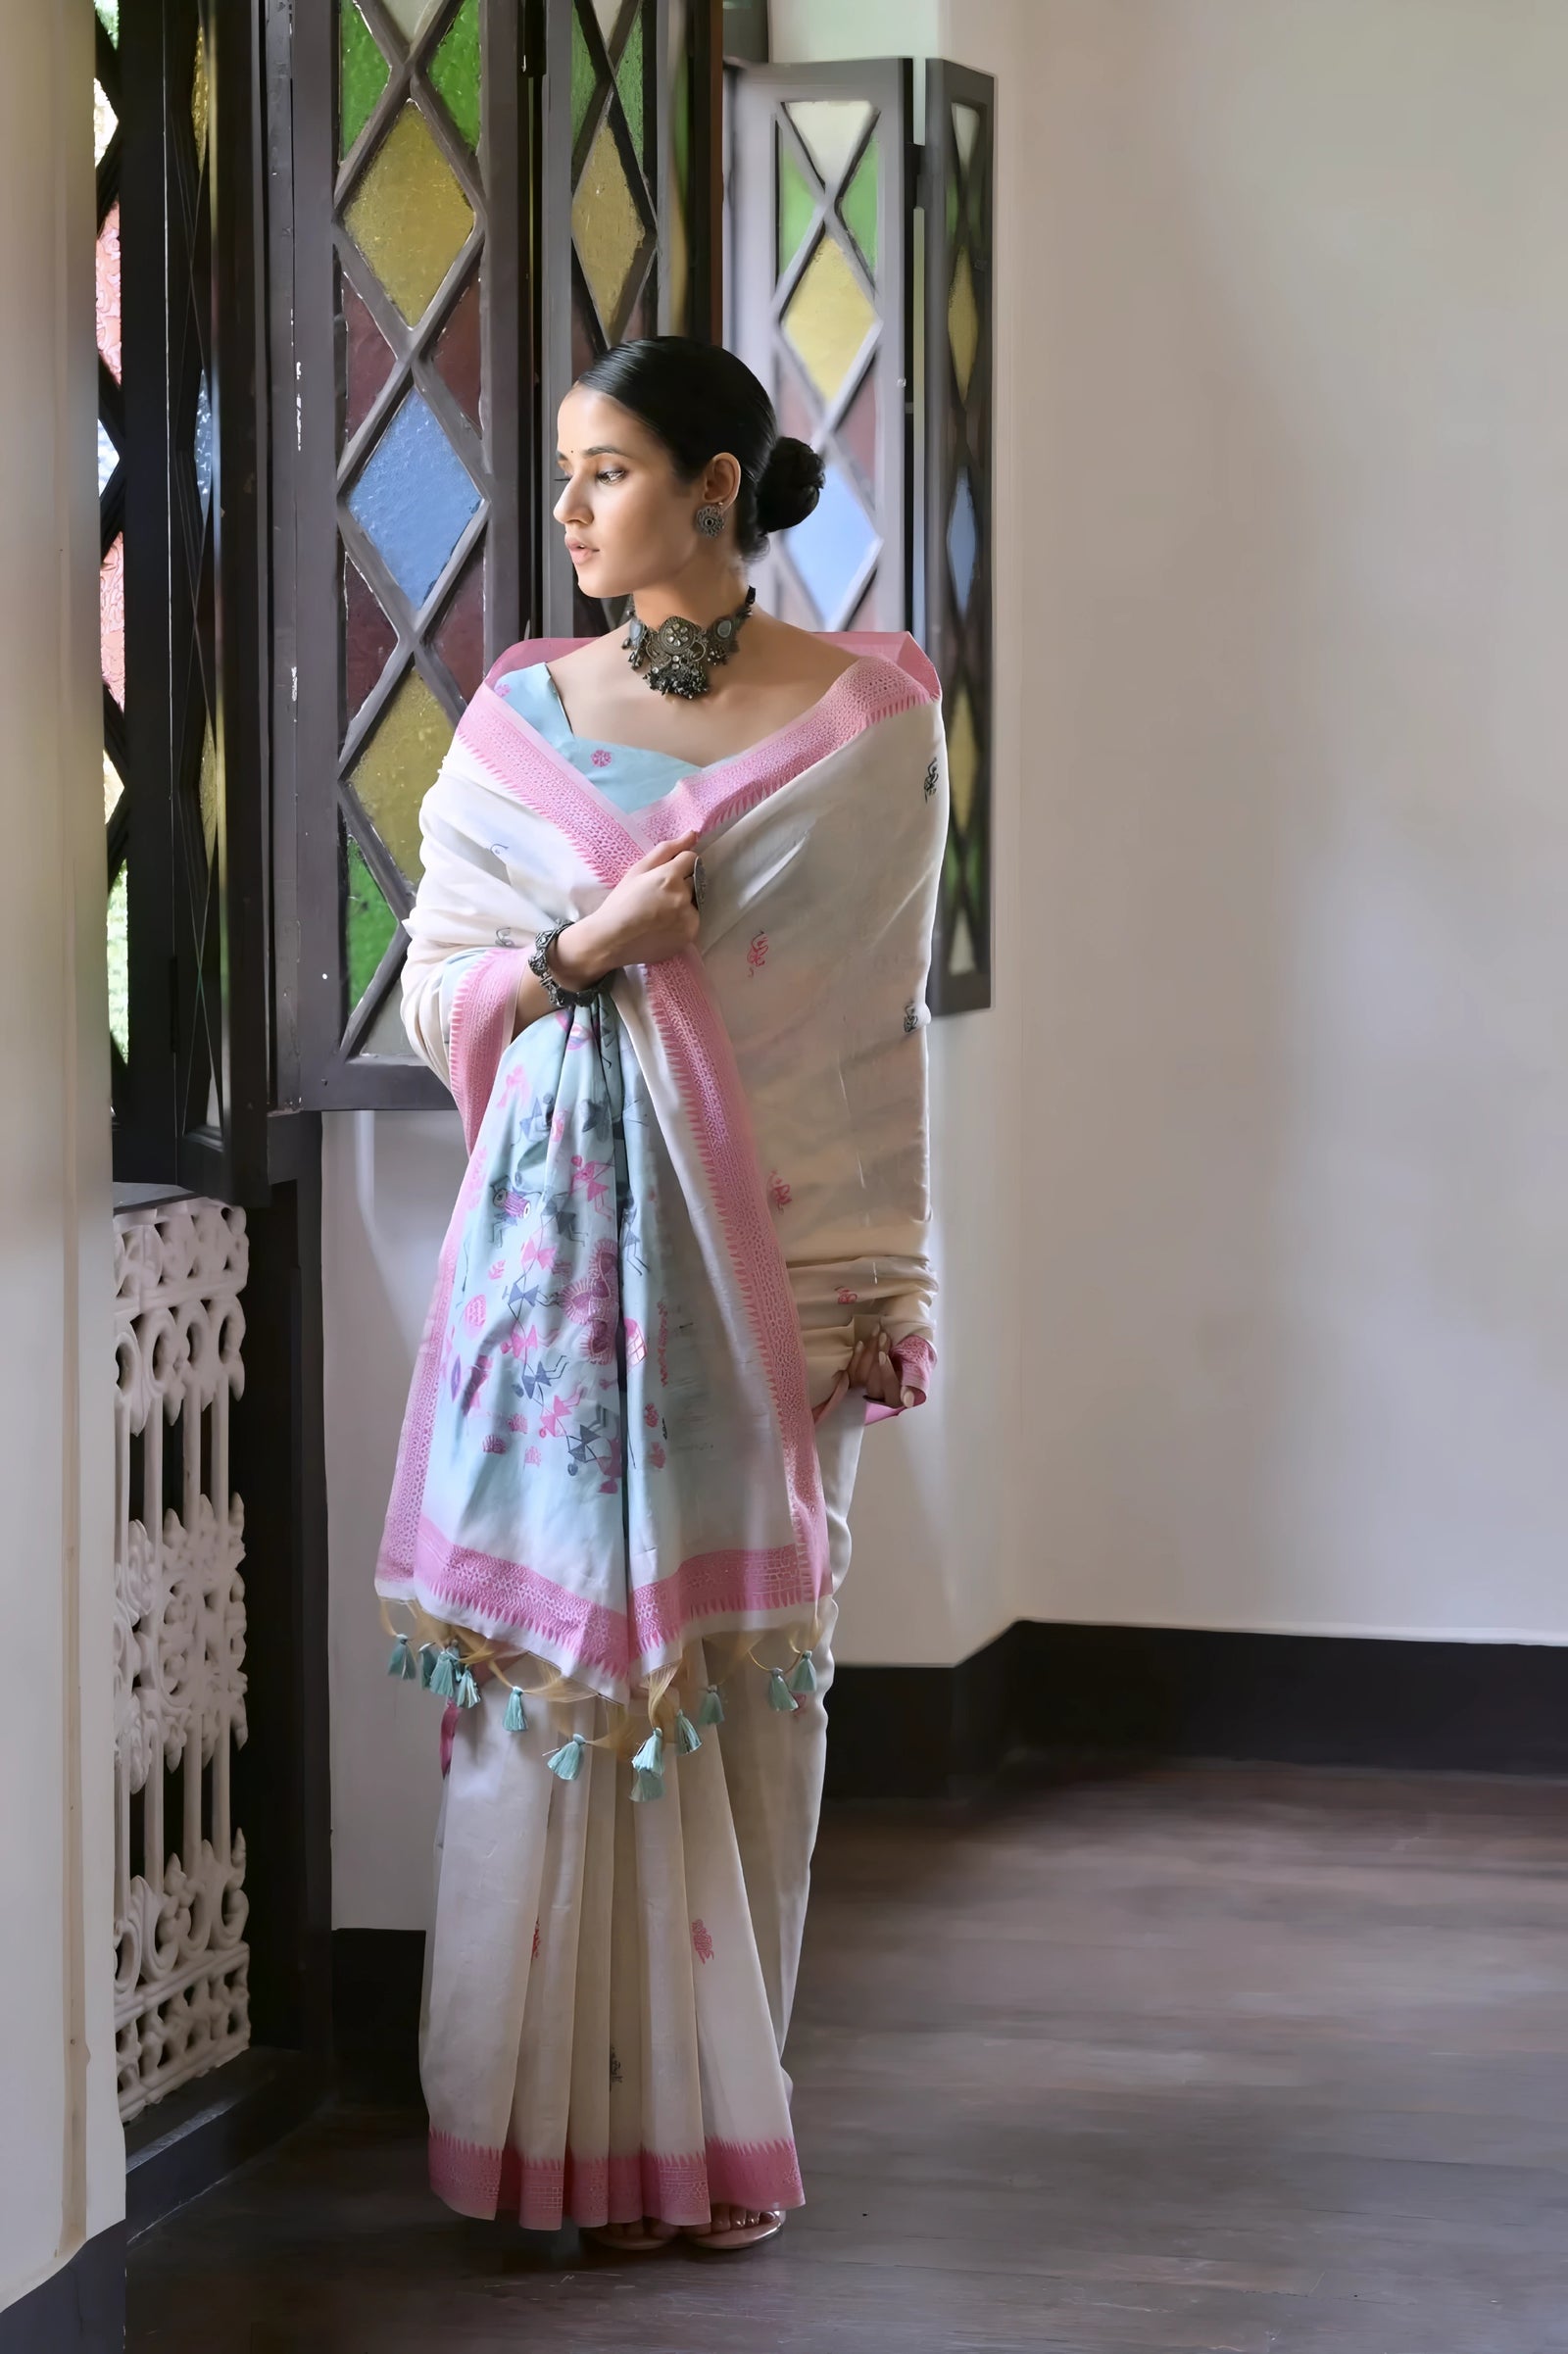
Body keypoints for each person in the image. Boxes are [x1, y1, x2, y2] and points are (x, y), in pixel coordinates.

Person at [375, 337, 947, 2255]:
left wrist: (874, 1280)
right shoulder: (522, 719)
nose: (566, 513)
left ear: (716, 485)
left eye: (601, 471)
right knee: (547, 1718)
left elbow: (863, 1033)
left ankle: (702, 2143)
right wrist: (583, 943)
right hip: (556, 1309)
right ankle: (534, 2142)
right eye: (558, 474)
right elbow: (439, 979)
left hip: (773, 1284)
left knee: (732, 1713)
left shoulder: (872, 726)